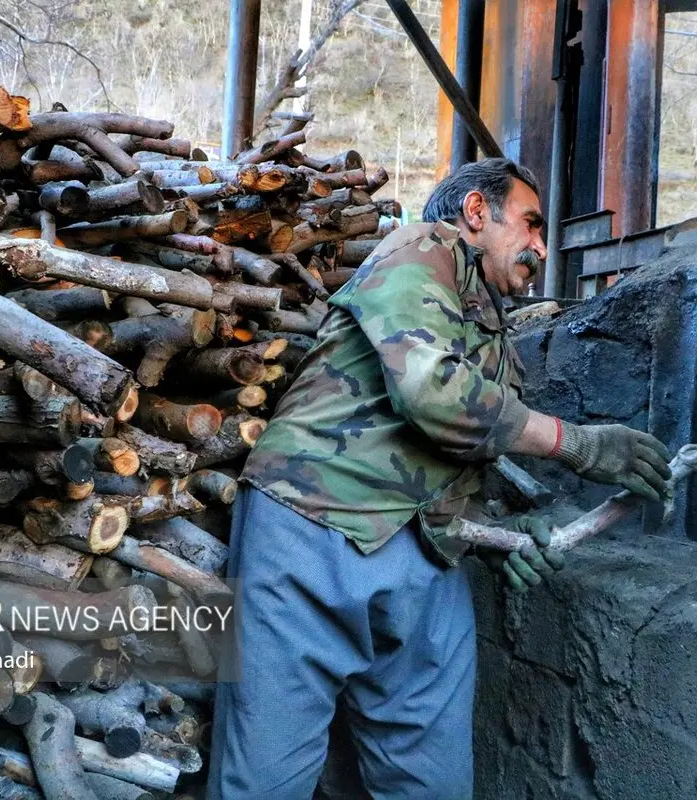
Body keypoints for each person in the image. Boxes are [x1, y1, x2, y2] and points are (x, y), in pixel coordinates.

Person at [209, 158, 672, 799]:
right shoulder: (421, 250)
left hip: (424, 559)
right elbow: (434, 394)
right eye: (532, 225)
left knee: (434, 785)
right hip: (313, 528)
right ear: (477, 212)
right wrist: (577, 445)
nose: (541, 247)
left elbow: (461, 454)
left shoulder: (495, 339)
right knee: (266, 778)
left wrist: (510, 527)